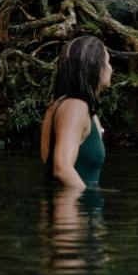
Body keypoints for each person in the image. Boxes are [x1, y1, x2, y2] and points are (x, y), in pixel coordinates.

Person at [41, 35, 112, 189]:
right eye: (108, 62)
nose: (111, 68)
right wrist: (83, 199)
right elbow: (62, 169)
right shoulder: (75, 108)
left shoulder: (73, 106)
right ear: (97, 68)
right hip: (72, 211)